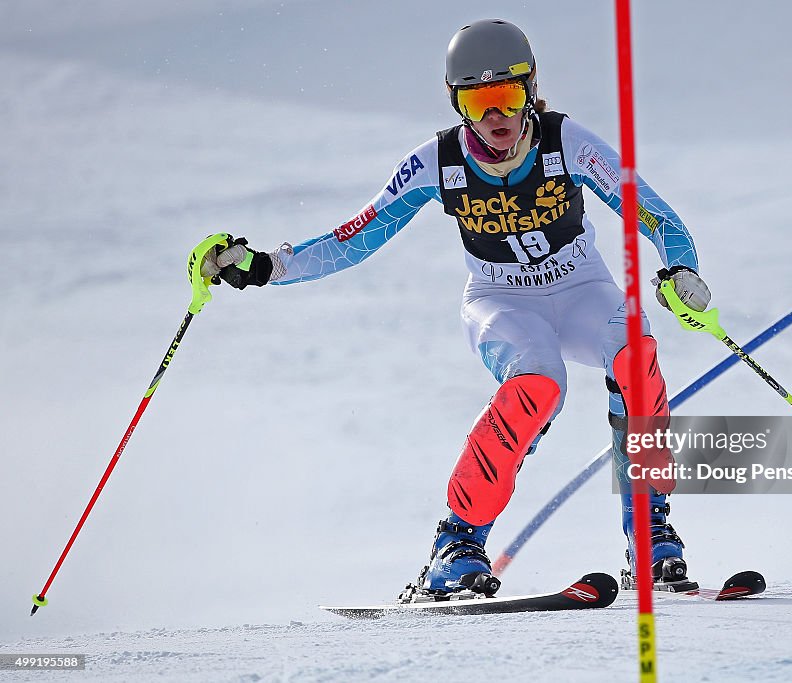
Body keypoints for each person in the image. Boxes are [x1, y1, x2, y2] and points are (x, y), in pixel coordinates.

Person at [202, 18, 712, 600]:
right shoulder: (436, 163)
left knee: (635, 358)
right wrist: (267, 265)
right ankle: (457, 545)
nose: (496, 116)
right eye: (477, 100)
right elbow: (353, 238)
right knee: (538, 384)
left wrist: (681, 268)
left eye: (508, 96)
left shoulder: (565, 141)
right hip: (502, 300)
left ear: (530, 91)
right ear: (457, 103)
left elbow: (648, 208)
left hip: (580, 289)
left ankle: (651, 535)